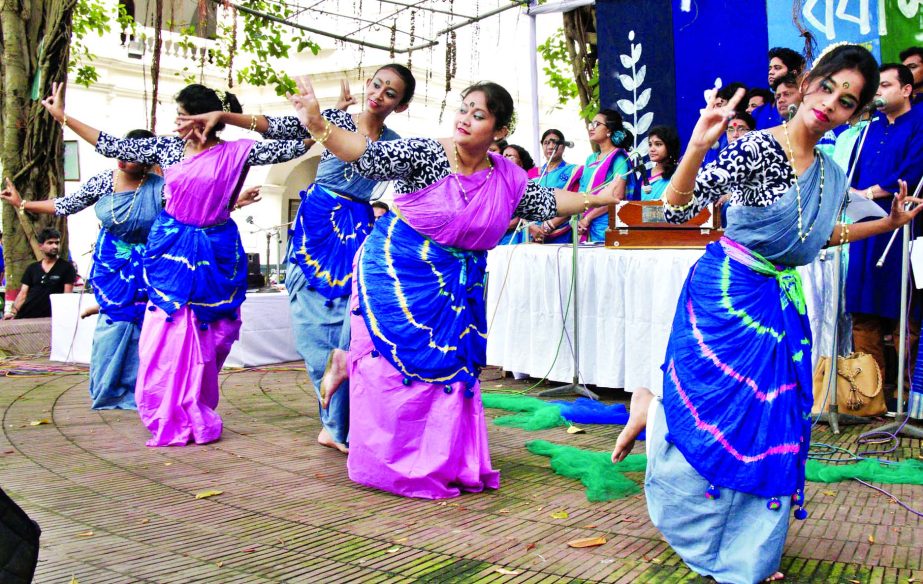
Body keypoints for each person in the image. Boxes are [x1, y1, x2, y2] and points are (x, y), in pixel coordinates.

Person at [613, 44, 922, 583]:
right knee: (718, 416)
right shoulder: (756, 149)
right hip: (727, 295)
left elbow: (824, 236)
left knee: (772, 423)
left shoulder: (828, 170)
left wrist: (890, 223)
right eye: (827, 87)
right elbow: (681, 208)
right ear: (806, 85)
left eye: (847, 101)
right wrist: (697, 147)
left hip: (781, 304)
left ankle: (748, 548)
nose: (831, 103)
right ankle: (665, 438)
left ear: (855, 114)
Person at [291, 78, 623, 499]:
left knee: (447, 370)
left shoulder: (507, 177)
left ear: (500, 131)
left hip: (453, 282)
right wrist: (319, 125)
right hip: (398, 268)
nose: (465, 119)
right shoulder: (429, 153)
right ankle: (387, 453)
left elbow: (550, 201)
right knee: (393, 367)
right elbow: (366, 154)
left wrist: (597, 199)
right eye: (464, 109)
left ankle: (439, 457)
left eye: (479, 114)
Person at [41, 81, 311, 446]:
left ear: (204, 117)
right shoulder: (168, 148)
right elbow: (112, 145)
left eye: (183, 115)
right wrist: (63, 117)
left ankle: (194, 405)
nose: (177, 122)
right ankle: (164, 409)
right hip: (170, 250)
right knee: (164, 332)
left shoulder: (239, 151)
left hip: (215, 250)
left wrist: (233, 116)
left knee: (213, 334)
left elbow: (304, 138)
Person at [178, 65, 416, 454]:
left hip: (357, 228)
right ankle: (334, 424)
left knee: (352, 327)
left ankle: (350, 420)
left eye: (390, 93)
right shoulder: (335, 120)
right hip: (318, 227)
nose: (378, 94)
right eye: (376, 84)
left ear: (400, 105)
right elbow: (279, 126)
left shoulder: (394, 142)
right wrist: (225, 116)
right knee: (315, 330)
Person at [846, 63, 923, 396]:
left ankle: (907, 395)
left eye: (886, 85)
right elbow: (853, 173)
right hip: (866, 228)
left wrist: (873, 192)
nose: (878, 92)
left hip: (903, 225)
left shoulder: (919, 123)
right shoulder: (867, 129)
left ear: (906, 90)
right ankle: (868, 395)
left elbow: (915, 172)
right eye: (876, 87)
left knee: (904, 309)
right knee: (863, 307)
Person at [577, 109, 634, 242]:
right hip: (583, 224)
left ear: (609, 130)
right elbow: (582, 191)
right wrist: (580, 218)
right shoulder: (590, 159)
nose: (591, 128)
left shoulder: (618, 158)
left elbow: (617, 196)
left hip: (605, 226)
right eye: (591, 124)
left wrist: (589, 218)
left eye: (596, 124)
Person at [2, 228, 75, 320]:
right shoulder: (32, 268)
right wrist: (13, 312)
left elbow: (66, 297)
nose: (55, 246)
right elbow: (23, 294)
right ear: (40, 246)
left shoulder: (67, 268)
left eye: (57, 243)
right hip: (27, 316)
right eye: (50, 243)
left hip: (51, 318)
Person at [533, 129, 581, 243]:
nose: (550, 146)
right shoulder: (533, 173)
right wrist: (532, 228)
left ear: (563, 147)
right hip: (534, 233)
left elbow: (575, 203)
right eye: (546, 143)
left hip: (561, 231)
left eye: (555, 142)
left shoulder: (573, 171)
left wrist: (550, 225)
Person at [642, 125, 680, 201]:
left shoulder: (679, 174)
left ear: (670, 147)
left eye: (658, 144)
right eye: (650, 144)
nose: (652, 149)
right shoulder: (644, 175)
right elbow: (634, 205)